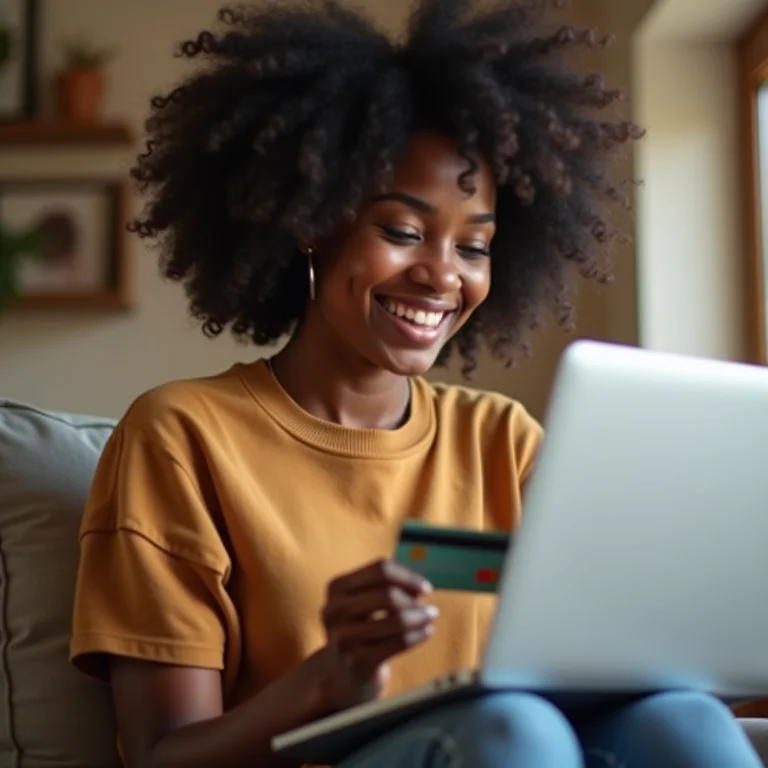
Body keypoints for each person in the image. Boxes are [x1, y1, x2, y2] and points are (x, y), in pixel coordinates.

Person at [69, 1, 762, 766]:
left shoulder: (503, 442)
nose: (442, 276)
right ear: (312, 219)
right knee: (513, 731)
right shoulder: (182, 437)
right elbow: (163, 753)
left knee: (684, 720)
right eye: (401, 232)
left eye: (475, 246)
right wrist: (328, 681)